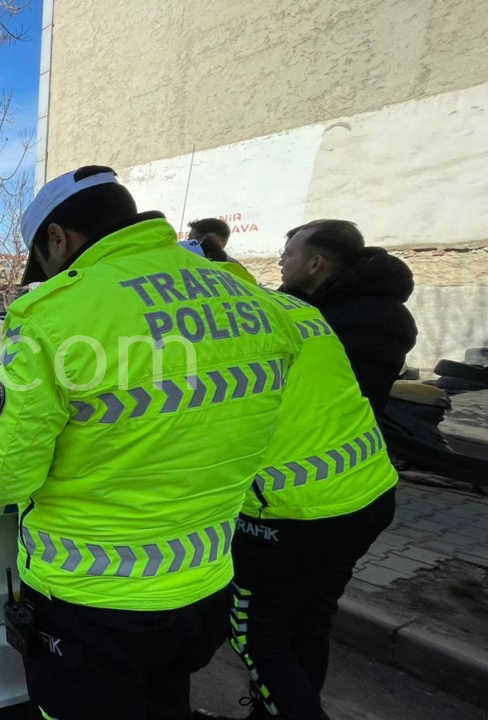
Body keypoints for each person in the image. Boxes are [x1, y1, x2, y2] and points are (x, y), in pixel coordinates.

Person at [0, 166, 304, 720]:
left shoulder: (55, 315)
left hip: (93, 603)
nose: (44, 274)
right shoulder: (247, 298)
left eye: (43, 260)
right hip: (206, 580)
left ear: (57, 239)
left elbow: (3, 478)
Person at [195, 268, 399, 720]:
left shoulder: (213, 329)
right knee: (310, 620)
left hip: (291, 513)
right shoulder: (295, 308)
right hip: (367, 493)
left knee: (256, 635)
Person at [278, 219, 417, 416]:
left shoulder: (376, 319)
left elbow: (329, 397)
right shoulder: (299, 303)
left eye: (288, 254)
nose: (281, 262)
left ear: (315, 263)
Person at [186, 218, 257, 284]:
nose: (189, 242)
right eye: (189, 239)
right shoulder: (236, 267)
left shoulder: (234, 267)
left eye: (197, 238)